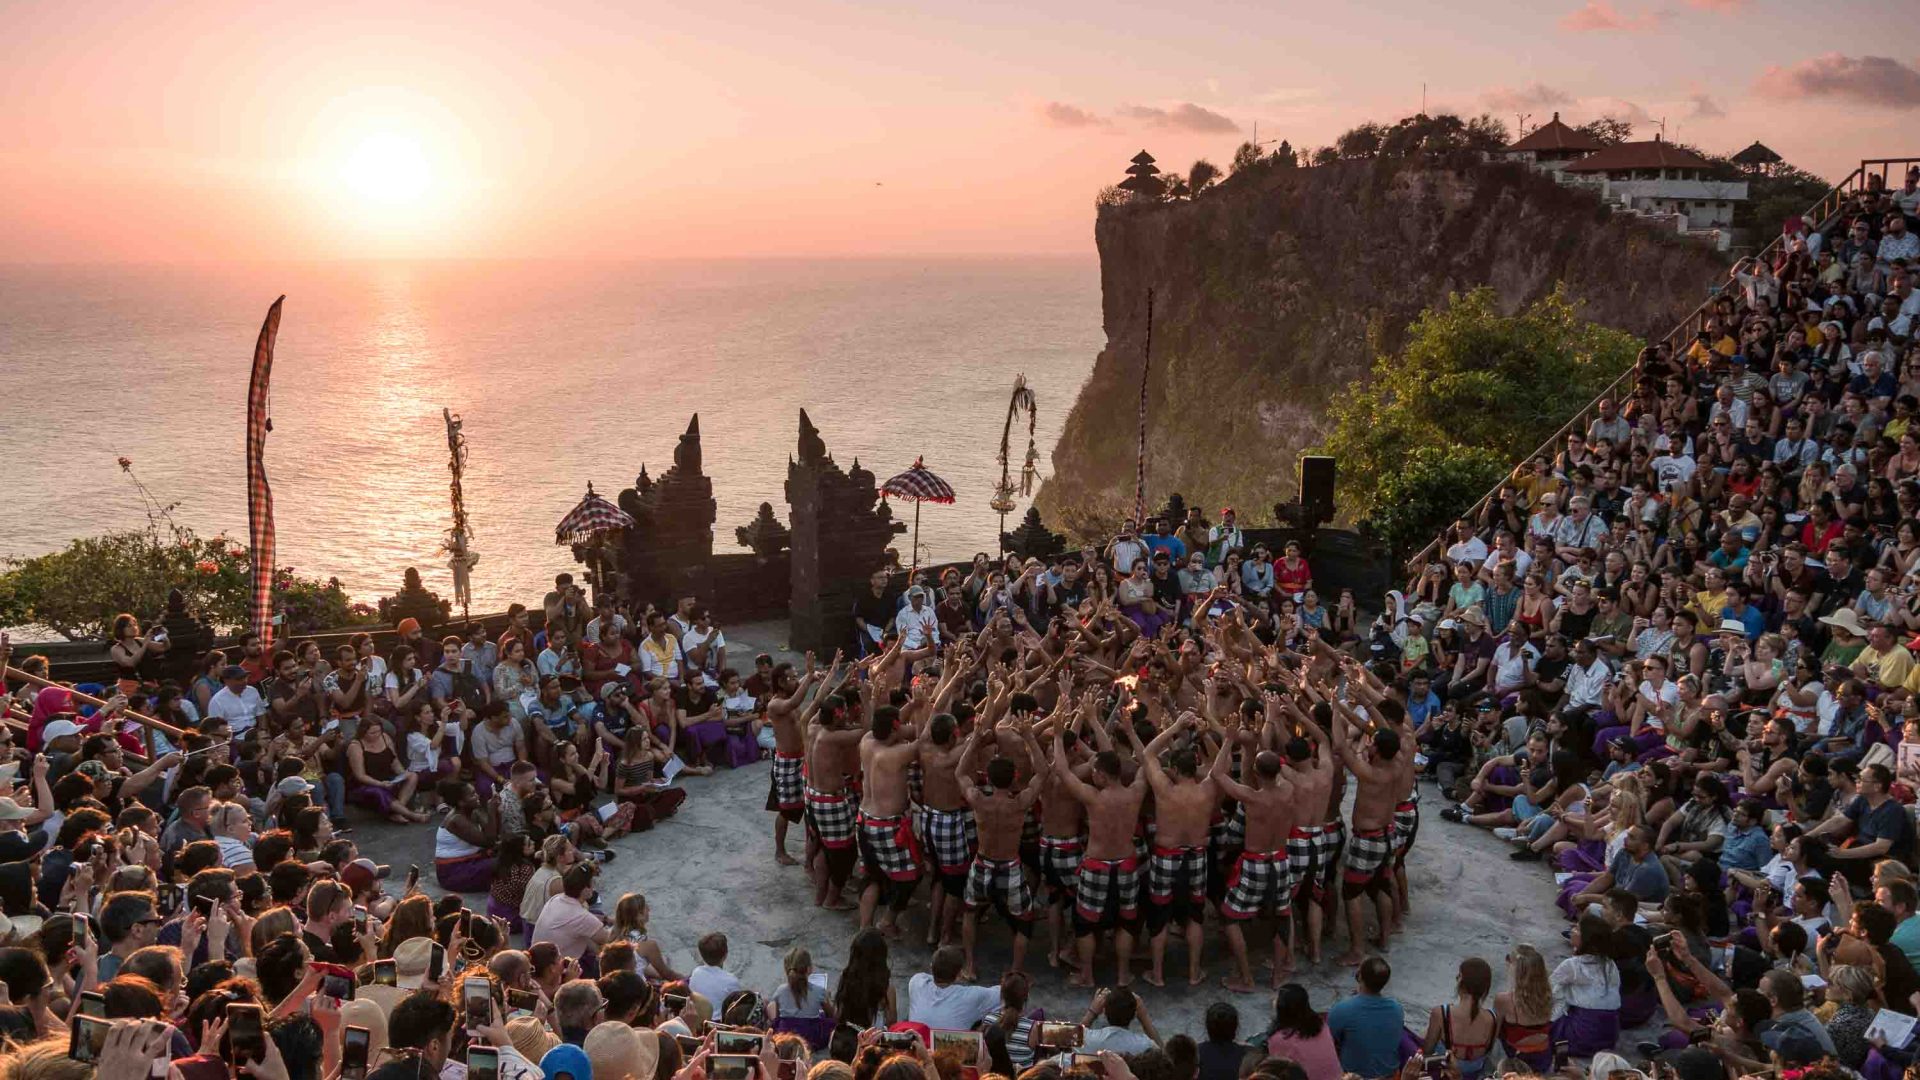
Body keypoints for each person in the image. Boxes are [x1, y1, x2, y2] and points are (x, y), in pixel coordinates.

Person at [1326, 958, 1403, 1080]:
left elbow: (1329, 1040)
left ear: (1359, 977)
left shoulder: (1342, 1009)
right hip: (1390, 1075)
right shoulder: (1397, 1008)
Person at [906, 945, 999, 1030]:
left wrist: (940, 971)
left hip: (917, 1043)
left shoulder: (916, 982)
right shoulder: (972, 996)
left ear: (931, 967)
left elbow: (929, 976)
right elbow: (1005, 993)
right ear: (959, 974)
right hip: (950, 1047)